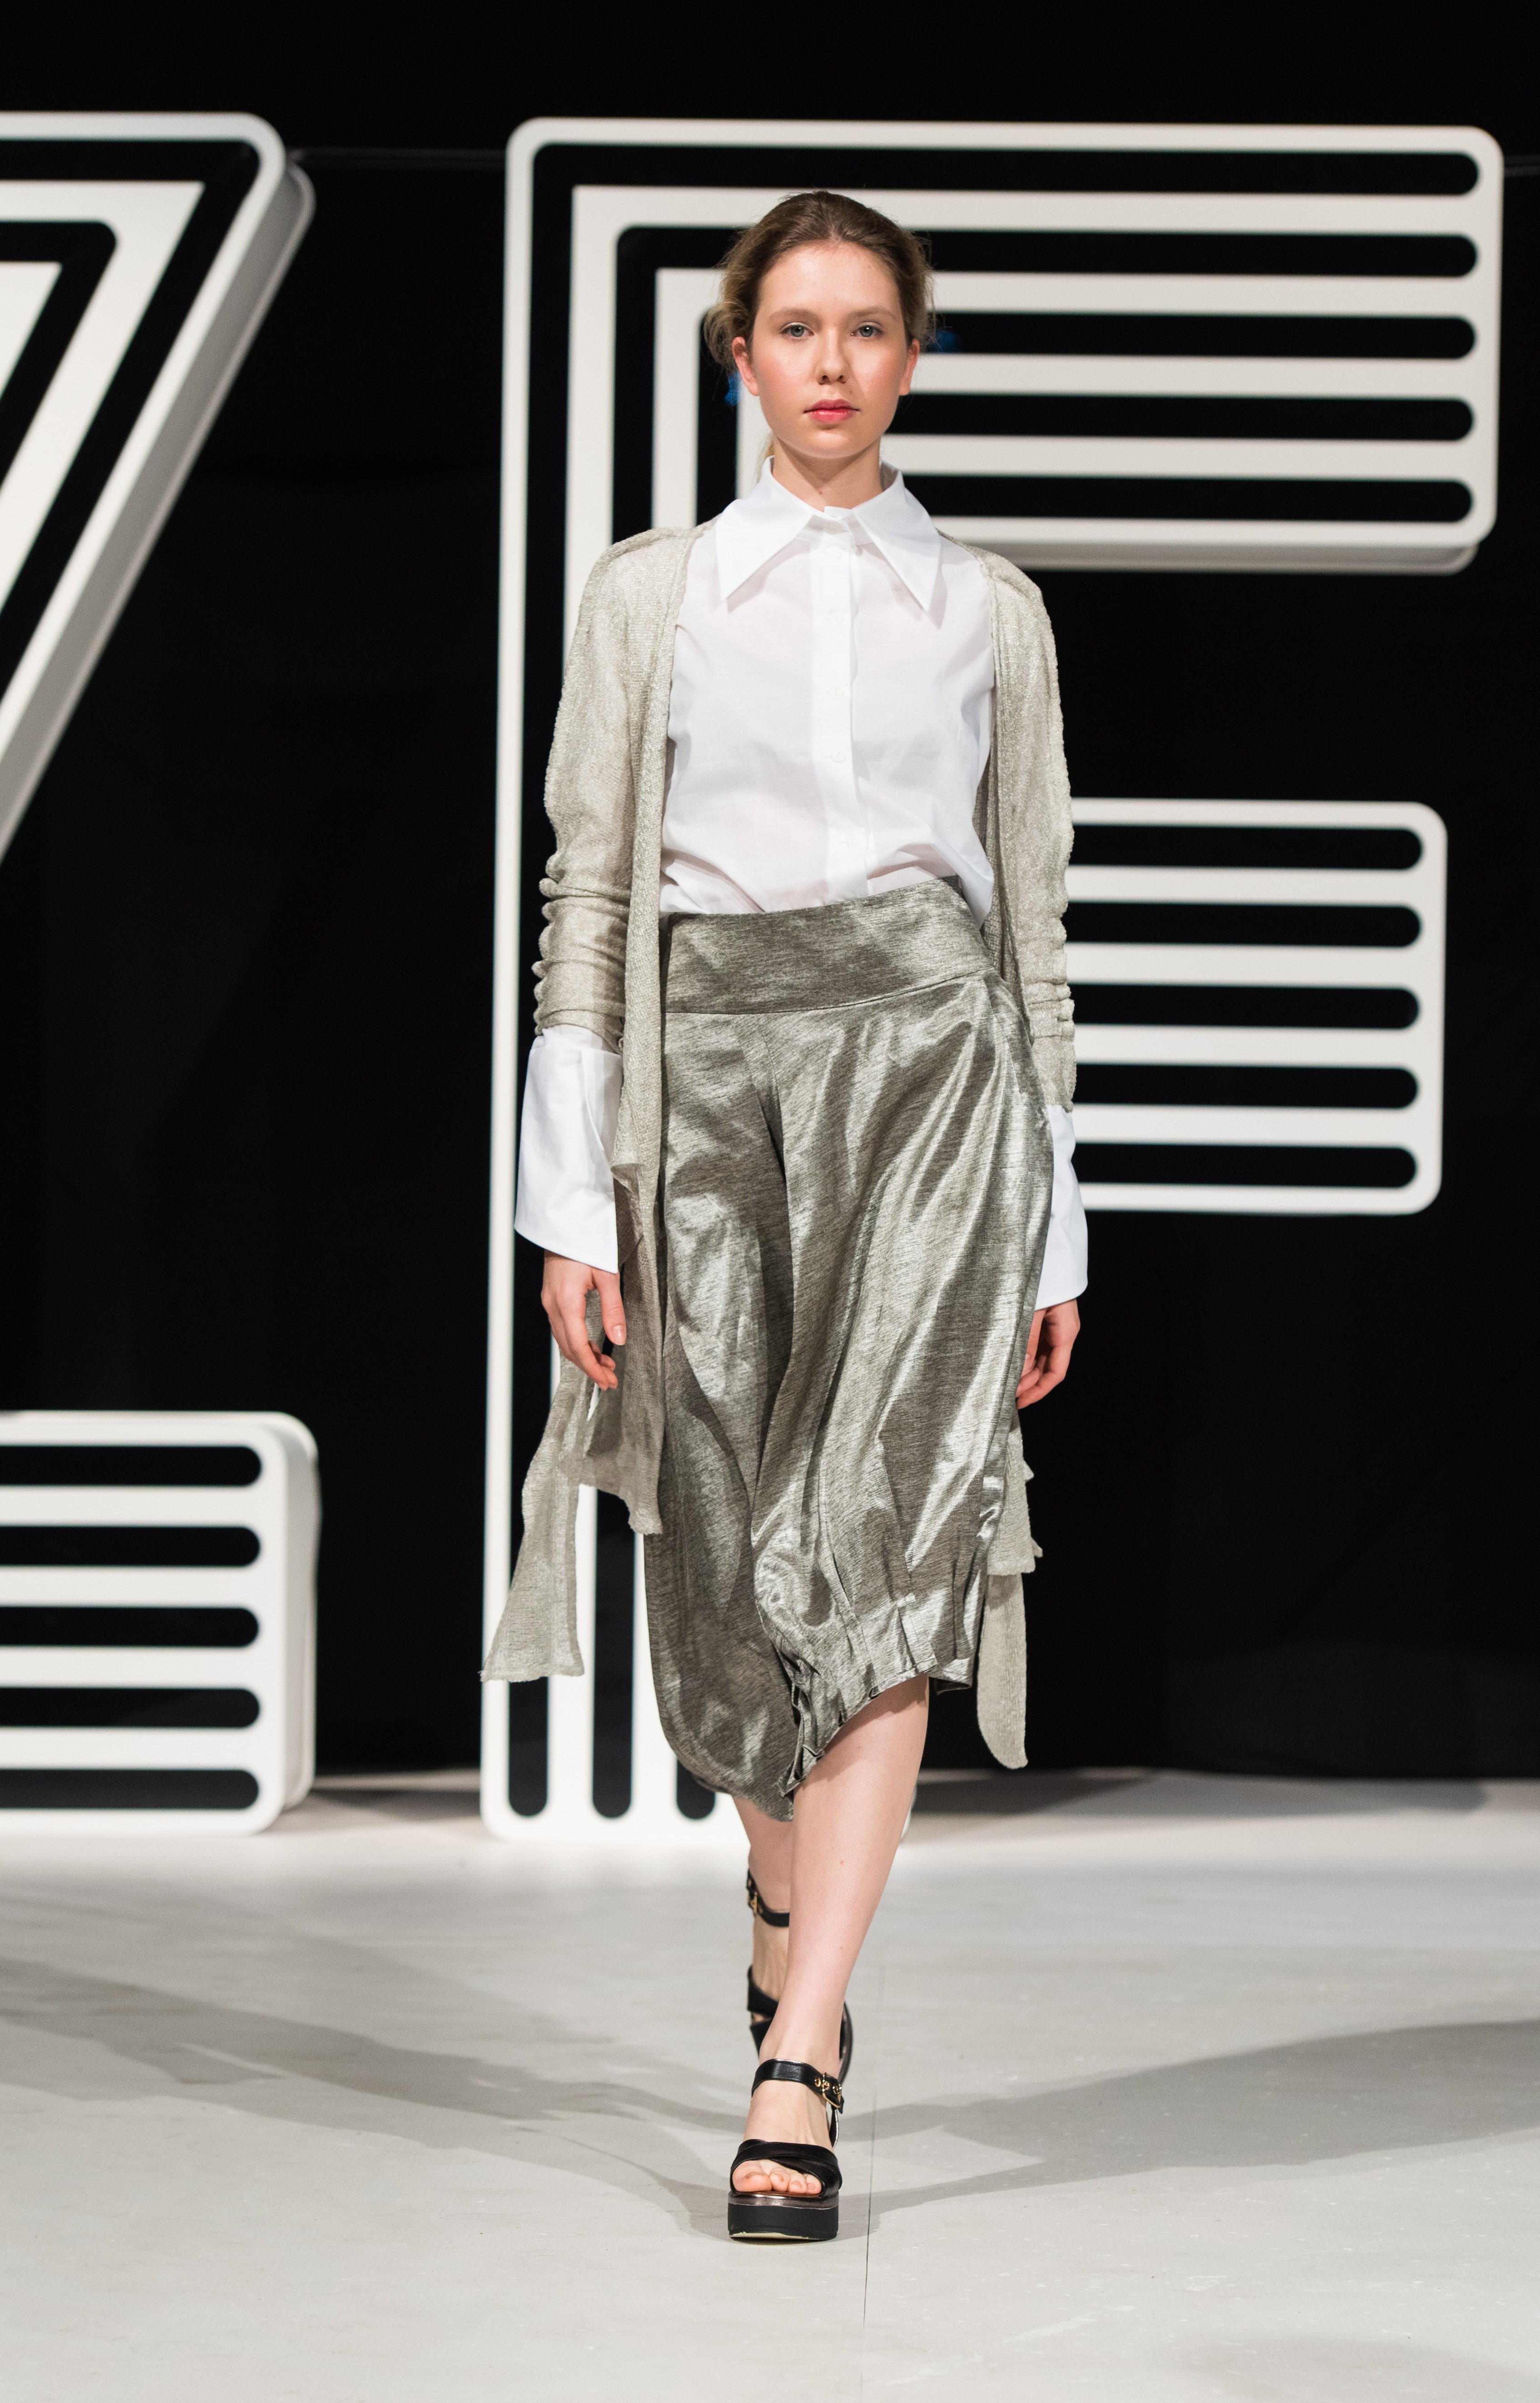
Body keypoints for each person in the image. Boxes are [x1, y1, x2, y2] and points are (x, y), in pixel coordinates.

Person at [484, 189, 1086, 2242]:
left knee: (891, 1552)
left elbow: (1030, 925)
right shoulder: (651, 594)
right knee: (729, 1574)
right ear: (738, 354)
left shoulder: (988, 609)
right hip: (704, 1094)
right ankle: (778, 1886)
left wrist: (1056, 1220)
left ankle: (797, 2058)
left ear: (910, 356)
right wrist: (568, 1197)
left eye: (868, 329)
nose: (833, 363)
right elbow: (587, 892)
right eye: (797, 328)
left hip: (932, 1086)